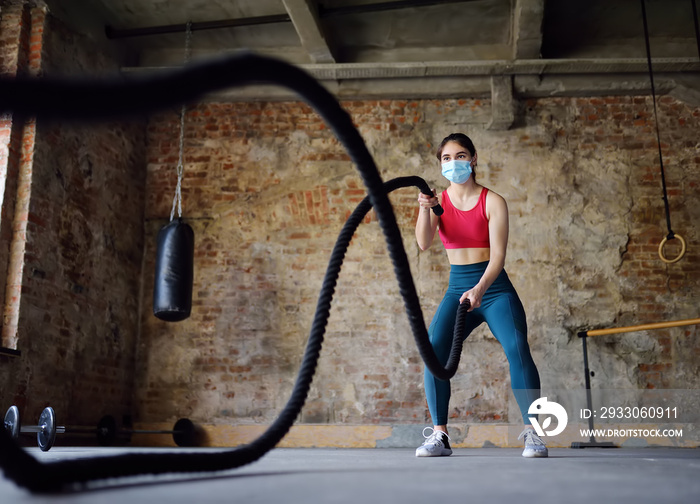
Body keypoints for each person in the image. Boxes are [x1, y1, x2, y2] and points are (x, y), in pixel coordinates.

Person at [414, 133, 547, 458]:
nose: (453, 163)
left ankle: (534, 433)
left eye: (460, 156)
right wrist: (425, 209)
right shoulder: (437, 201)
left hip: (494, 288)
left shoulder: (493, 201)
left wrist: (480, 289)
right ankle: (440, 435)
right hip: (458, 290)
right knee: (434, 350)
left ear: (473, 159)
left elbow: (498, 257)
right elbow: (423, 242)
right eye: (446, 158)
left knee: (517, 347)